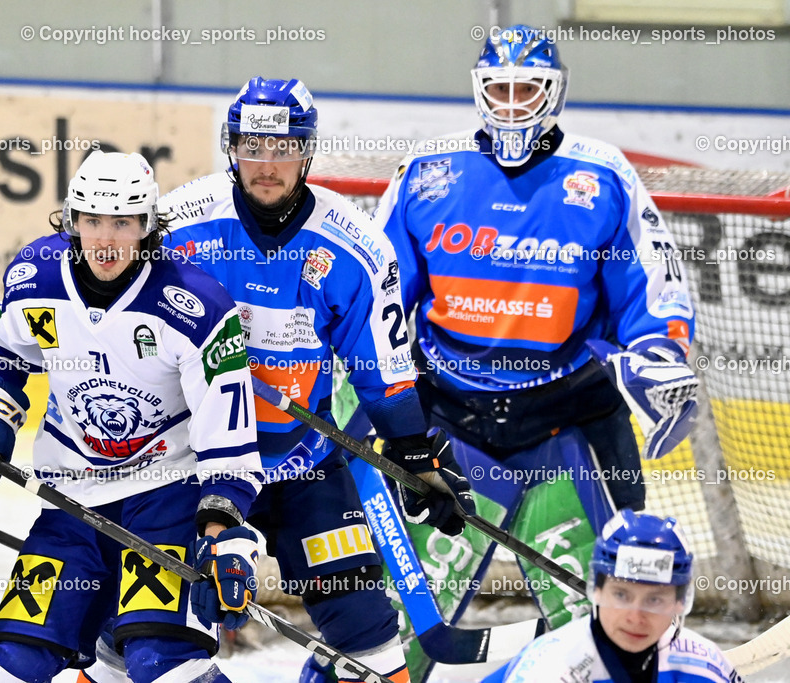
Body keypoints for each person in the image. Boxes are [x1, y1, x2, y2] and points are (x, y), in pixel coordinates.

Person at [149, 77, 475, 683]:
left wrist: (412, 453)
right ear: (231, 148)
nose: (267, 165)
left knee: (373, 648)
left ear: (307, 150)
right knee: (145, 643)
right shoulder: (175, 230)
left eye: (283, 148)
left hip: (304, 466)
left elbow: (384, 371)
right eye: (253, 147)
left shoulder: (355, 246)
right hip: (192, 470)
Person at [374, 25, 699, 631]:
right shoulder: (426, 172)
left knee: (616, 606)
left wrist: (661, 345)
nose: (514, 103)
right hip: (448, 418)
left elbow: (652, 277)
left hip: (572, 410)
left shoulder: (602, 175)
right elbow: (378, 288)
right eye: (501, 88)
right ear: (479, 90)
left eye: (530, 89)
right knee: (404, 619)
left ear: (556, 92)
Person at [0, 151, 264, 683]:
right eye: (92, 221)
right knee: (12, 664)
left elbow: (228, 442)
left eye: (122, 222)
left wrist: (223, 534)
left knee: (166, 664)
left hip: (164, 503)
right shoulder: (33, 278)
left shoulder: (198, 305)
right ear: (72, 221)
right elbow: (5, 357)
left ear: (147, 226)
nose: (106, 238)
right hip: (70, 506)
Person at [482, 509, 744, 683]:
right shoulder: (550, 670)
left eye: (654, 600)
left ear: (679, 602)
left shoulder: (704, 663)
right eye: (621, 595)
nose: (636, 617)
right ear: (596, 590)